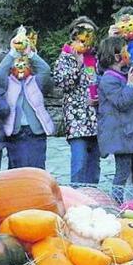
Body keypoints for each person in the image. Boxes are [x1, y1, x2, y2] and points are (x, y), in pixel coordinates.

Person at [97, 36, 133, 202]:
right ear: (116, 56)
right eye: (126, 51)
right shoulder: (108, 79)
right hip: (121, 136)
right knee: (122, 172)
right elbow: (122, 102)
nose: (129, 54)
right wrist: (130, 83)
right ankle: (116, 204)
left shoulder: (123, 74)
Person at [0, 27, 55, 169]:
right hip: (15, 131)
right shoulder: (8, 81)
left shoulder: (36, 80)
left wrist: (30, 53)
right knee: (16, 168)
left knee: (37, 167)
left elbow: (46, 70)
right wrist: (13, 52)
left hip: (35, 131)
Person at [53, 17, 101, 184]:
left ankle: (93, 198)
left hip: (95, 118)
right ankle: (77, 199)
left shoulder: (95, 57)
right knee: (79, 164)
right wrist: (78, 65)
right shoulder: (65, 57)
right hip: (77, 121)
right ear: (74, 36)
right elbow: (64, 83)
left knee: (94, 167)